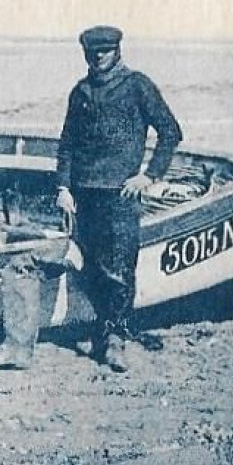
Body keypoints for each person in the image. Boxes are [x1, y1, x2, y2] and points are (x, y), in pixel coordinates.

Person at [55, 25, 181, 373]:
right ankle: (101, 328)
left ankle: (115, 340)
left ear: (117, 51)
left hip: (121, 195)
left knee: (121, 269)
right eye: (92, 53)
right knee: (90, 266)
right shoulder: (79, 92)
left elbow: (170, 132)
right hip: (83, 193)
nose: (98, 58)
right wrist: (63, 188)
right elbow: (67, 145)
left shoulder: (137, 85)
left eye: (104, 52)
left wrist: (149, 176)